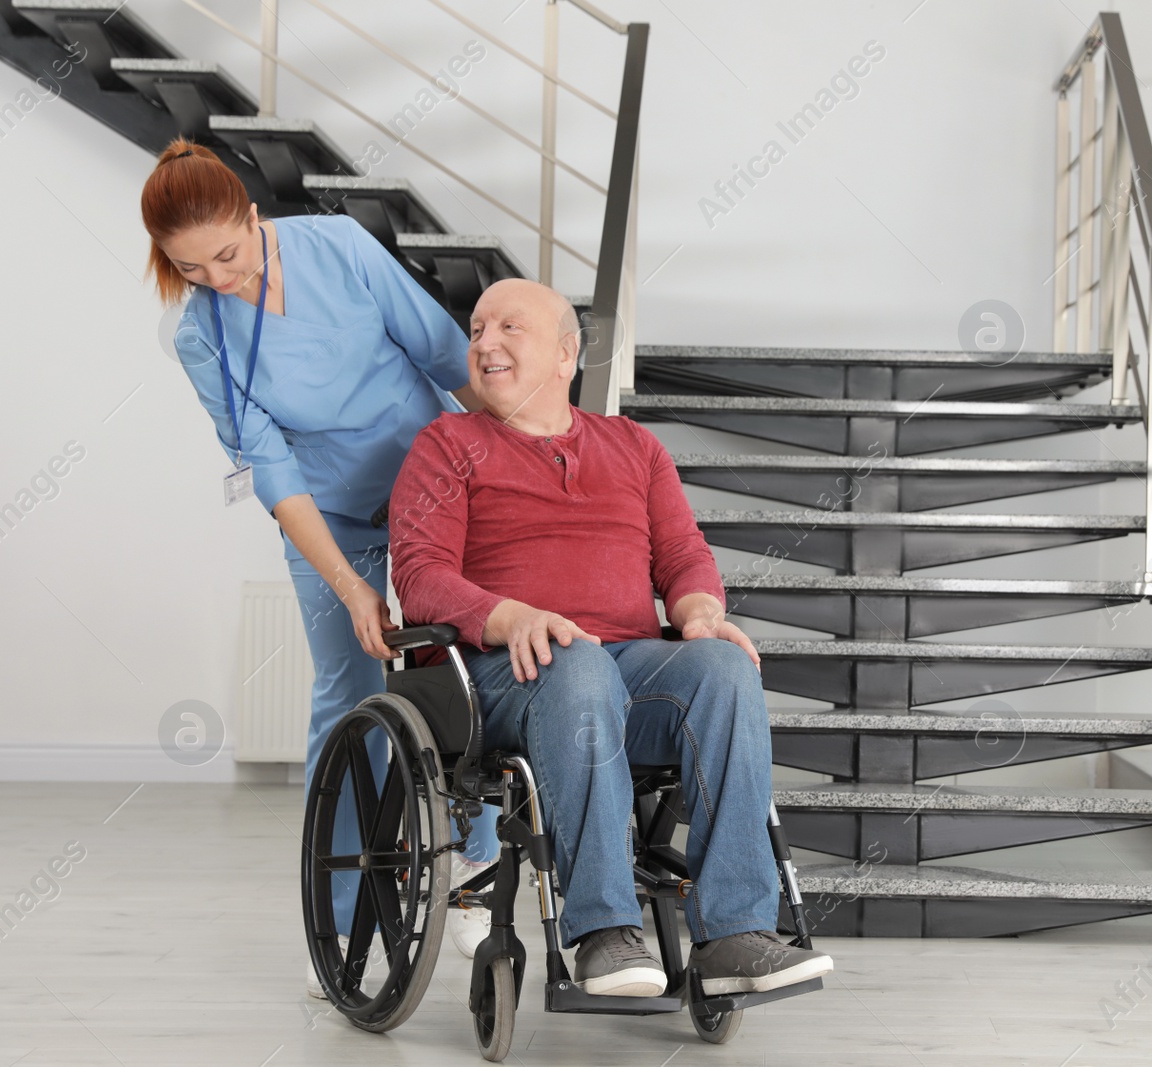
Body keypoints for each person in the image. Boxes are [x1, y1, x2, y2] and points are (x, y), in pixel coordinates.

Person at [389, 278, 835, 997]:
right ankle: (603, 931)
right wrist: (512, 616)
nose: (483, 342)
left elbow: (684, 552)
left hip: (626, 666)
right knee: (579, 661)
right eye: (475, 329)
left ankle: (735, 934)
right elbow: (420, 574)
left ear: (567, 355)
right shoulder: (448, 445)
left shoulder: (634, 446)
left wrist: (698, 611)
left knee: (722, 667)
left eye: (508, 327)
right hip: (504, 675)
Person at [139, 137, 500, 989]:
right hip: (328, 514)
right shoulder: (201, 336)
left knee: (471, 668)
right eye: (193, 269)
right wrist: (347, 583)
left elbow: (446, 355)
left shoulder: (336, 246)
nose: (220, 279)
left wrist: (518, 462)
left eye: (227, 255)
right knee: (349, 695)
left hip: (433, 491)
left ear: (254, 217)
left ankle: (477, 878)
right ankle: (345, 922)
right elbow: (269, 466)